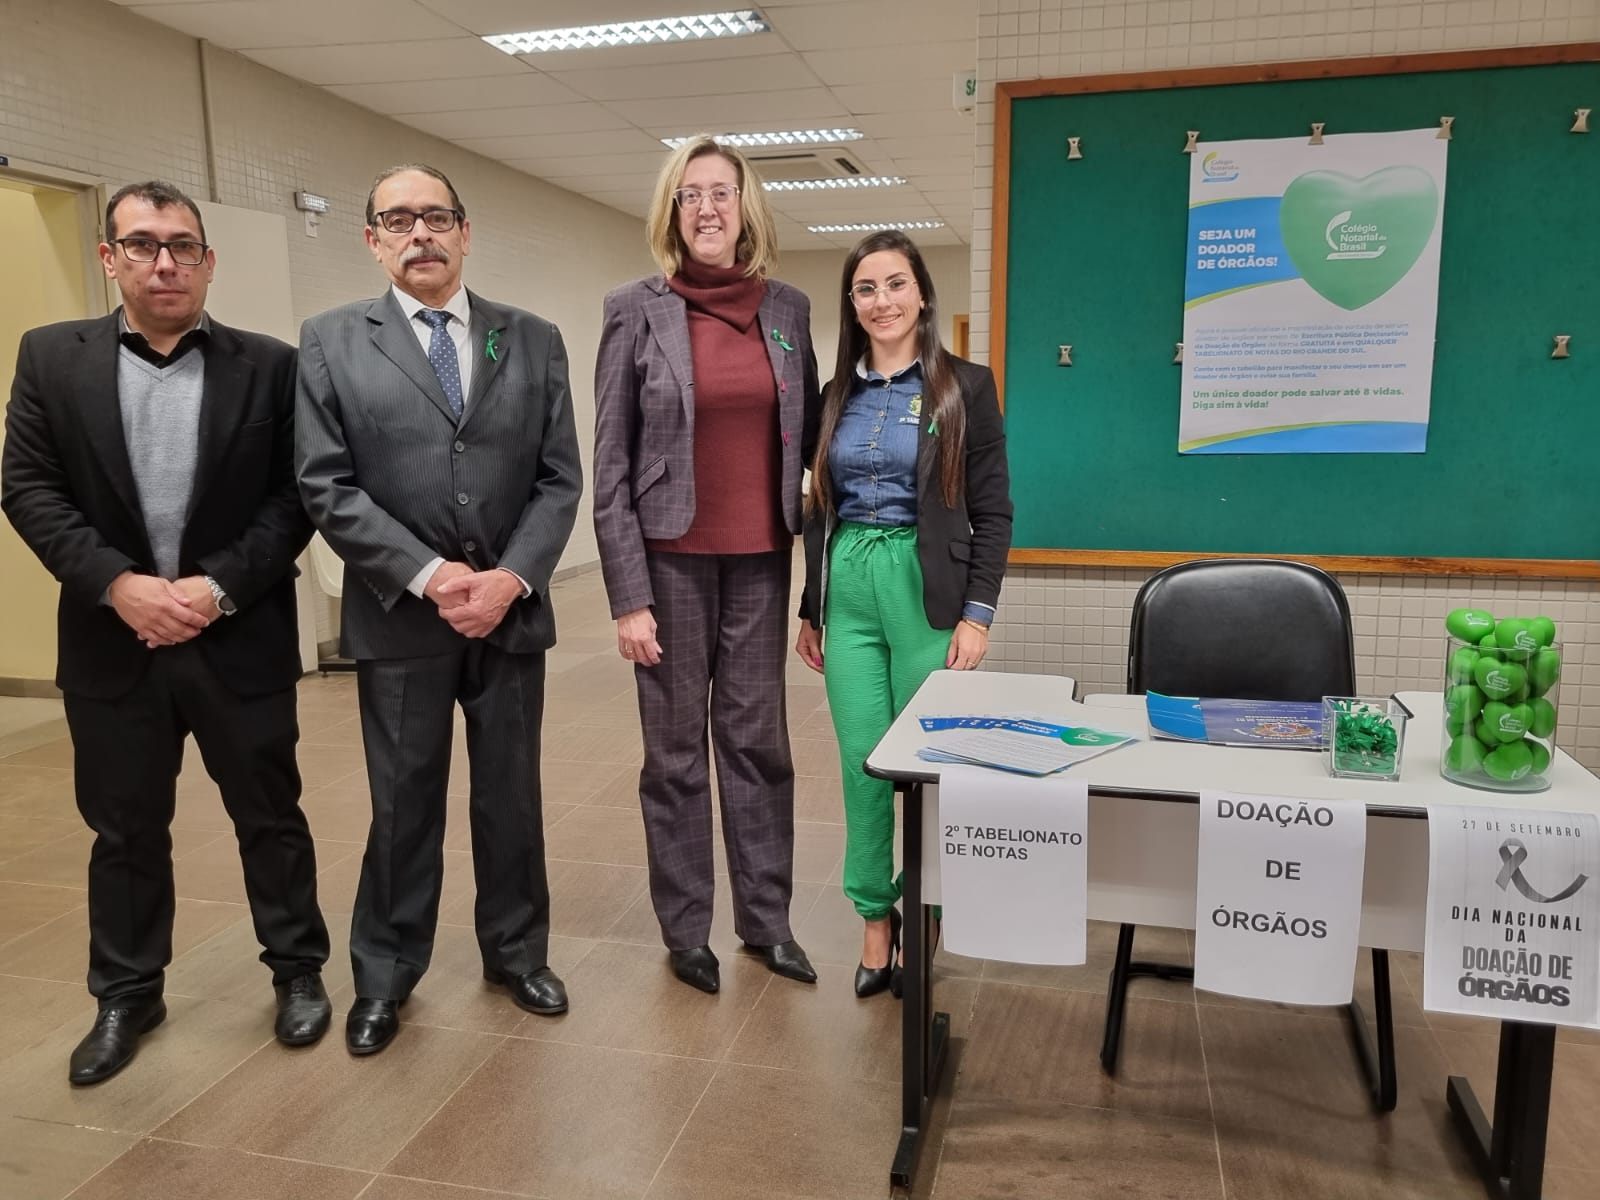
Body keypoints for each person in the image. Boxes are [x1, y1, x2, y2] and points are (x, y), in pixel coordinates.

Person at [1, 180, 331, 1083]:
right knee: (125, 831)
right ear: (109, 259)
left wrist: (216, 589)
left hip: (237, 640)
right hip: (116, 647)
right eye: (143, 245)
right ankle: (127, 993)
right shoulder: (51, 360)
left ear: (208, 262)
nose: (165, 262)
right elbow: (29, 489)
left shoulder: (269, 365)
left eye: (183, 246)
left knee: (270, 816)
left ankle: (298, 971)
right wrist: (121, 588)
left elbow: (296, 495)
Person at [296, 164, 582, 1055]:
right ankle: (383, 975)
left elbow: (559, 476)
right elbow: (324, 483)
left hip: (509, 616)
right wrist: (428, 575)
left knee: (510, 798)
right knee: (402, 803)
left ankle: (516, 952)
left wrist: (510, 578)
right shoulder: (332, 341)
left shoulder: (530, 339)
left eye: (436, 217)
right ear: (373, 239)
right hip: (402, 617)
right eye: (397, 219)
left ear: (465, 232)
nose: (419, 233)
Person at [593, 136, 821, 994]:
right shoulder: (633, 308)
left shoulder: (789, 309)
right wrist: (627, 595)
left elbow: (805, 441)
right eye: (691, 195)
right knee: (675, 755)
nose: (708, 209)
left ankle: (767, 922)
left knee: (759, 745)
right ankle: (686, 928)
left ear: (746, 207)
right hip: (670, 561)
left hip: (762, 556)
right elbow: (609, 461)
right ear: (672, 212)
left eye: (722, 193)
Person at [795, 229, 1013, 997]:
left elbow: (994, 509)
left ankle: (930, 913)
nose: (881, 301)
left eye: (894, 284)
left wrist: (978, 613)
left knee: (930, 767)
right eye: (865, 289)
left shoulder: (966, 388)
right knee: (863, 765)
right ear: (851, 304)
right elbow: (818, 507)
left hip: (927, 590)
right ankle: (875, 920)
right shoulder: (833, 396)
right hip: (847, 583)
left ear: (921, 292)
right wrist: (810, 607)